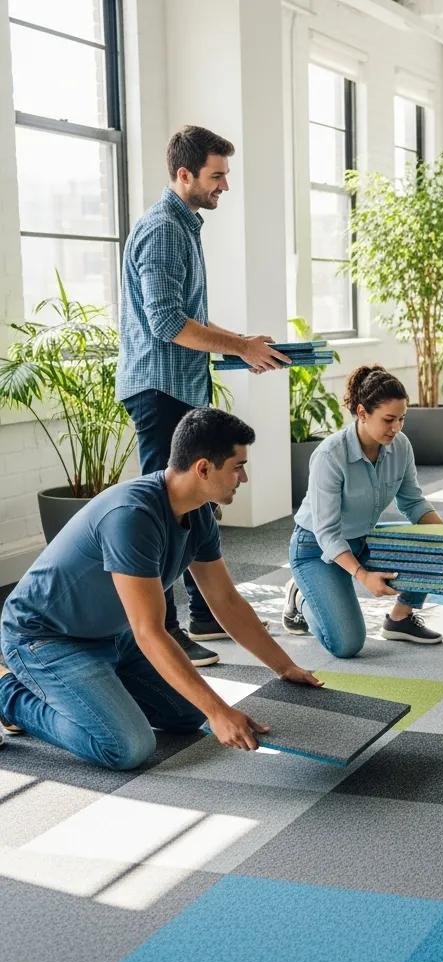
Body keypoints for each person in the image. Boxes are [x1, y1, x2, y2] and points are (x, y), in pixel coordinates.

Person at [0, 409, 323, 770]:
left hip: (113, 635)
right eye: (237, 466)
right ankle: (8, 694)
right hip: (45, 638)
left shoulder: (198, 512)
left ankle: (96, 688)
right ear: (202, 468)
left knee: (187, 716)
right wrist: (218, 712)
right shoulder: (132, 517)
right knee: (127, 747)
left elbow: (225, 600)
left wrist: (284, 666)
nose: (243, 477)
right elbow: (150, 632)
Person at [116, 125, 290, 667]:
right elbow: (168, 323)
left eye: (225, 175)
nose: (225, 186)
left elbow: (183, 319)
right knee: (168, 507)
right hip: (159, 389)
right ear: (184, 173)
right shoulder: (165, 229)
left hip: (179, 386)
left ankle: (205, 614)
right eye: (217, 176)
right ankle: (164, 629)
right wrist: (238, 345)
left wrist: (243, 349)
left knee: (197, 500)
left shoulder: (184, 227)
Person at [282, 365, 443, 656]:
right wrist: (362, 575)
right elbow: (327, 532)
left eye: (401, 419)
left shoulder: (400, 446)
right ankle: (299, 595)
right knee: (346, 645)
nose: (397, 428)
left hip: (363, 539)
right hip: (317, 548)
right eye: (389, 420)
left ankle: (399, 619)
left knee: (432, 545)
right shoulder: (329, 455)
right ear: (362, 413)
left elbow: (412, 502)